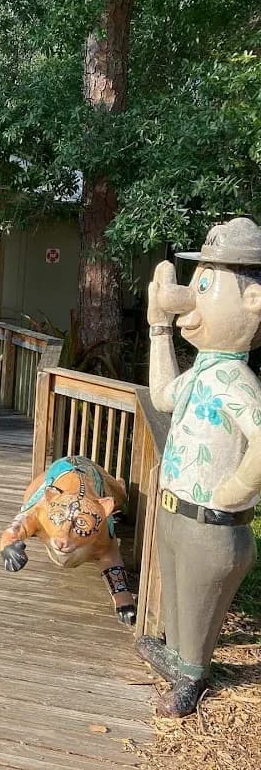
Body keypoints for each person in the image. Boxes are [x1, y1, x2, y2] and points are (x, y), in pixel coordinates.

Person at [140, 217, 261, 717]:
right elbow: (164, 396)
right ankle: (175, 655)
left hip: (213, 517)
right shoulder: (202, 373)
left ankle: (190, 677)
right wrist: (158, 330)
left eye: (206, 285)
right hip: (177, 507)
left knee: (199, 599)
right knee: (177, 589)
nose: (191, 295)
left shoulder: (237, 381)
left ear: (252, 303)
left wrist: (235, 489)